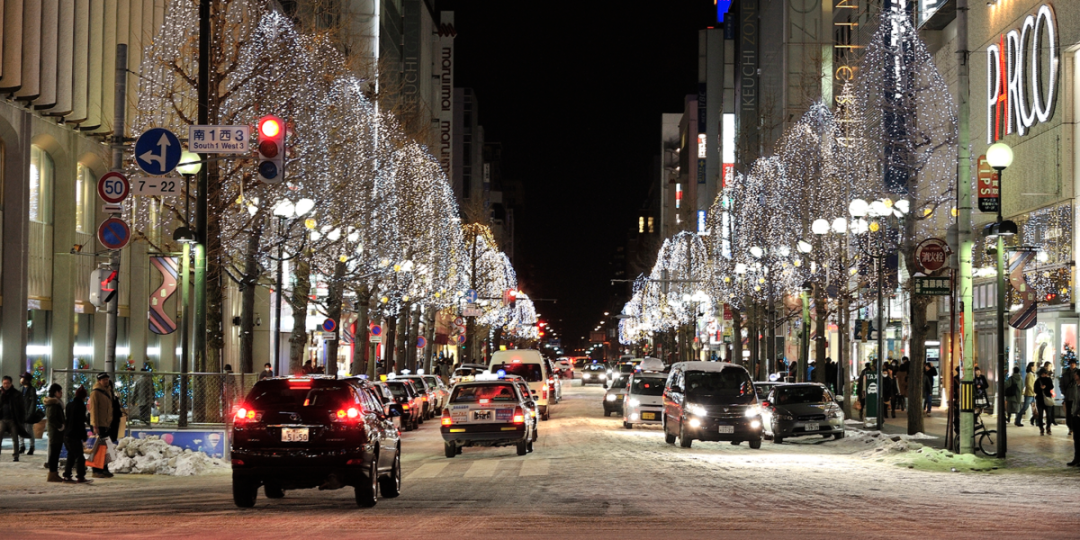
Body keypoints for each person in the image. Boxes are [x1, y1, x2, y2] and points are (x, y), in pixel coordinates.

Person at [87, 372, 114, 478]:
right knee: (98, 448)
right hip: (99, 425)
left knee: (105, 448)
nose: (106, 381)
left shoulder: (108, 391)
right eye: (104, 380)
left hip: (106, 424)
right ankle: (96, 470)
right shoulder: (95, 393)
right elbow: (93, 410)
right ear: (99, 381)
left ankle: (104, 468)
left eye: (107, 379)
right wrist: (95, 426)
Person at [63, 386, 90, 483]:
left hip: (67, 434)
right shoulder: (81, 406)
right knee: (80, 457)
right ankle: (80, 476)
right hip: (75, 434)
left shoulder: (69, 405)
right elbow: (80, 422)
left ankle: (67, 475)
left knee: (71, 455)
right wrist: (84, 435)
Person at [1, 375, 30, 461]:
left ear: (11, 383)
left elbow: (21, 407)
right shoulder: (1, 393)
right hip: (2, 419)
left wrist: (21, 420)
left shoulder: (16, 394)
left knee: (15, 438)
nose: (6, 385)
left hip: (13, 419)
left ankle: (16, 455)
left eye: (7, 383)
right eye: (4, 383)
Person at [44, 383, 65, 483]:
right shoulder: (53, 404)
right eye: (60, 391)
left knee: (56, 453)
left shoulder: (57, 403)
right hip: (55, 432)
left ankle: (54, 473)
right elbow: (51, 418)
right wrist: (59, 426)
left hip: (57, 432)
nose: (61, 393)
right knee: (54, 454)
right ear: (55, 392)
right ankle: (52, 474)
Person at [20, 372, 40, 455]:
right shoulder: (21, 389)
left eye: (23, 378)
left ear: (27, 380)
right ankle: (22, 446)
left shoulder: (32, 389)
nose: (21, 380)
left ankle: (32, 447)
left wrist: (30, 413)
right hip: (21, 413)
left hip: (28, 413)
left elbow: (33, 403)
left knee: (29, 430)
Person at [1034, 368, 1056, 436]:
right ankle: (1041, 428)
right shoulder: (1038, 381)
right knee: (1040, 415)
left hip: (1047, 399)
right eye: (1043, 373)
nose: (1044, 375)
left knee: (1049, 415)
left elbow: (1051, 386)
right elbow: (1035, 390)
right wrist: (1040, 388)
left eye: (1045, 373)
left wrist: (1045, 387)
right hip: (1040, 400)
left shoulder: (1049, 379)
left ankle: (1048, 427)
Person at [1062, 358, 1079, 437]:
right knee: (1068, 413)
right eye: (1071, 363)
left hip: (1076, 396)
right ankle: (1070, 428)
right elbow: (1062, 383)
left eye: (1074, 363)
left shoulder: (1078, 372)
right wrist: (1064, 392)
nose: (1072, 365)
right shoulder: (1065, 373)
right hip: (1068, 395)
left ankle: (1075, 428)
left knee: (1075, 412)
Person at [1017, 362, 1036, 427]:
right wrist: (1034, 392)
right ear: (1031, 367)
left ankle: (1037, 421)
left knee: (1035, 408)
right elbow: (1029, 385)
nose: (1036, 367)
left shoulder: (1032, 374)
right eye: (1035, 366)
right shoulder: (1029, 375)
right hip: (1029, 394)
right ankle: (1017, 420)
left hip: (1032, 394)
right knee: (1025, 407)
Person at [1068, 370, 1080, 466]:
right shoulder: (1075, 386)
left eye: (1075, 375)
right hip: (1075, 415)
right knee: (1076, 438)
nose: (1074, 376)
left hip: (1079, 415)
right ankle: (1077, 458)